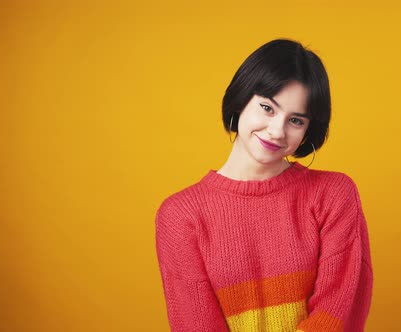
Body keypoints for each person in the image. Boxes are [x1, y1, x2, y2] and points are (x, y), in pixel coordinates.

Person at [155, 39, 373, 331]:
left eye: (295, 120)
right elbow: (196, 324)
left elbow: (337, 311)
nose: (276, 130)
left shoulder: (334, 194)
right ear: (241, 98)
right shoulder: (180, 216)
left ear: (309, 130)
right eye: (267, 108)